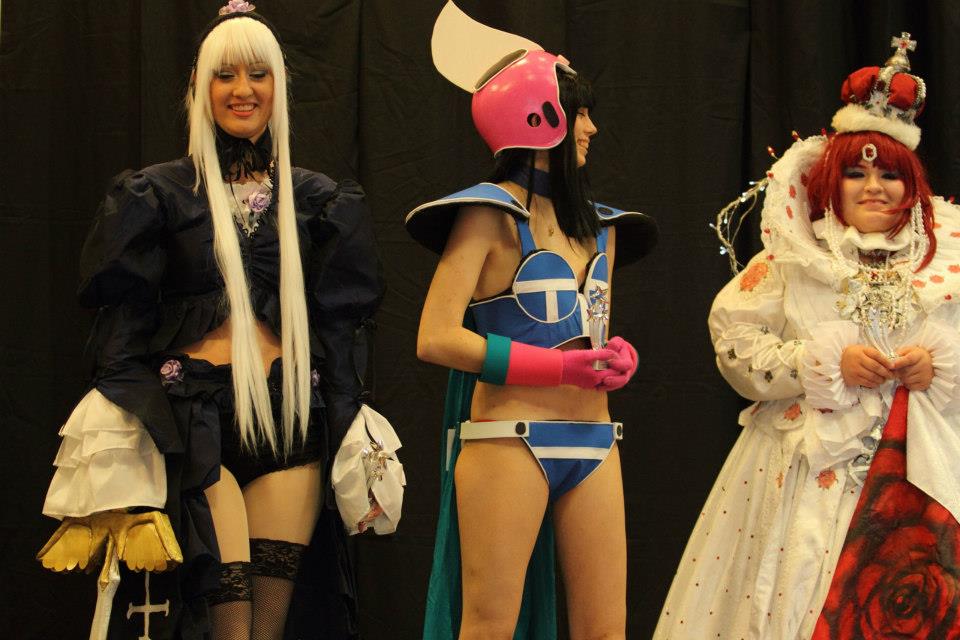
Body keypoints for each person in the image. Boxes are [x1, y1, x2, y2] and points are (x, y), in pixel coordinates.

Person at [37, 3, 383, 639]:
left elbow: (341, 329)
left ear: (279, 85)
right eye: (226, 75)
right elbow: (123, 324)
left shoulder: (317, 199)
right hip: (198, 424)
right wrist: (123, 422)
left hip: (290, 424)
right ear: (199, 87)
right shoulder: (159, 193)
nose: (242, 89)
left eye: (258, 73)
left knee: (269, 628)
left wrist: (350, 428)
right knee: (229, 628)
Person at [655, 34, 960, 639]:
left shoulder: (944, 260)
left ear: (911, 185)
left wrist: (937, 369)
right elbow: (736, 344)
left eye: (889, 175)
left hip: (919, 469)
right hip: (807, 469)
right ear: (830, 180)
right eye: (855, 172)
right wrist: (820, 364)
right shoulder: (794, 260)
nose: (874, 187)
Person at [406, 4, 657, 638]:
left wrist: (611, 357)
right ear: (540, 117)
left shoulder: (603, 228)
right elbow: (435, 337)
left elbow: (589, 329)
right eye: (581, 112)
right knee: (490, 625)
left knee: (607, 629)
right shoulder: (486, 216)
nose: (592, 127)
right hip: (509, 438)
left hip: (594, 440)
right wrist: (556, 367)